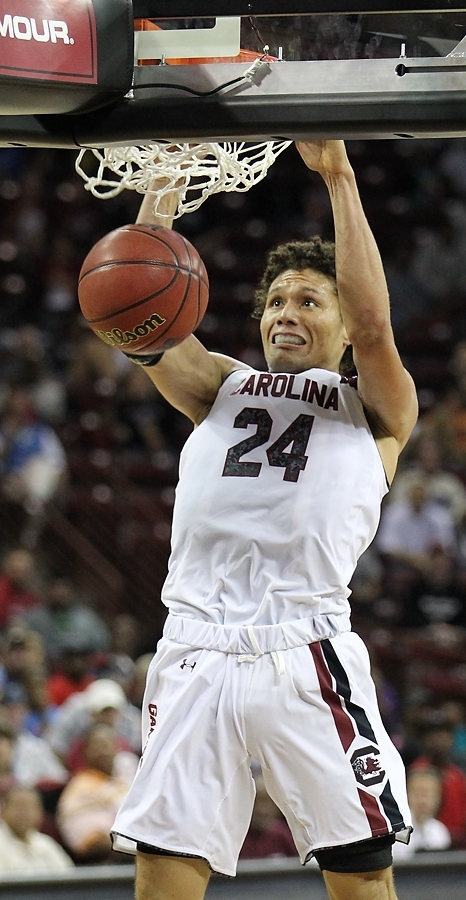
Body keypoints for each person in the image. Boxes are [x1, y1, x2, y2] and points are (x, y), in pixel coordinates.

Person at [108, 141, 418, 900]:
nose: (286, 311)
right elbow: (139, 315)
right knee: (163, 873)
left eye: (309, 301)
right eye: (277, 300)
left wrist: (338, 177)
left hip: (305, 647)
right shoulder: (221, 386)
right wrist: (163, 187)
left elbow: (377, 329)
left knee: (361, 877)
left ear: (342, 327)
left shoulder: (376, 409)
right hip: (195, 648)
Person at [0, 784, 73, 873]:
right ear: (3, 810)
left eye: (30, 807)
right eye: (18, 806)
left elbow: (68, 878)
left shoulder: (46, 843)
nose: (24, 814)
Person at [392, 768, 451, 861]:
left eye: (430, 795)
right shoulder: (395, 831)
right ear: (406, 794)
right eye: (418, 794)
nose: (424, 801)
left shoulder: (440, 831)